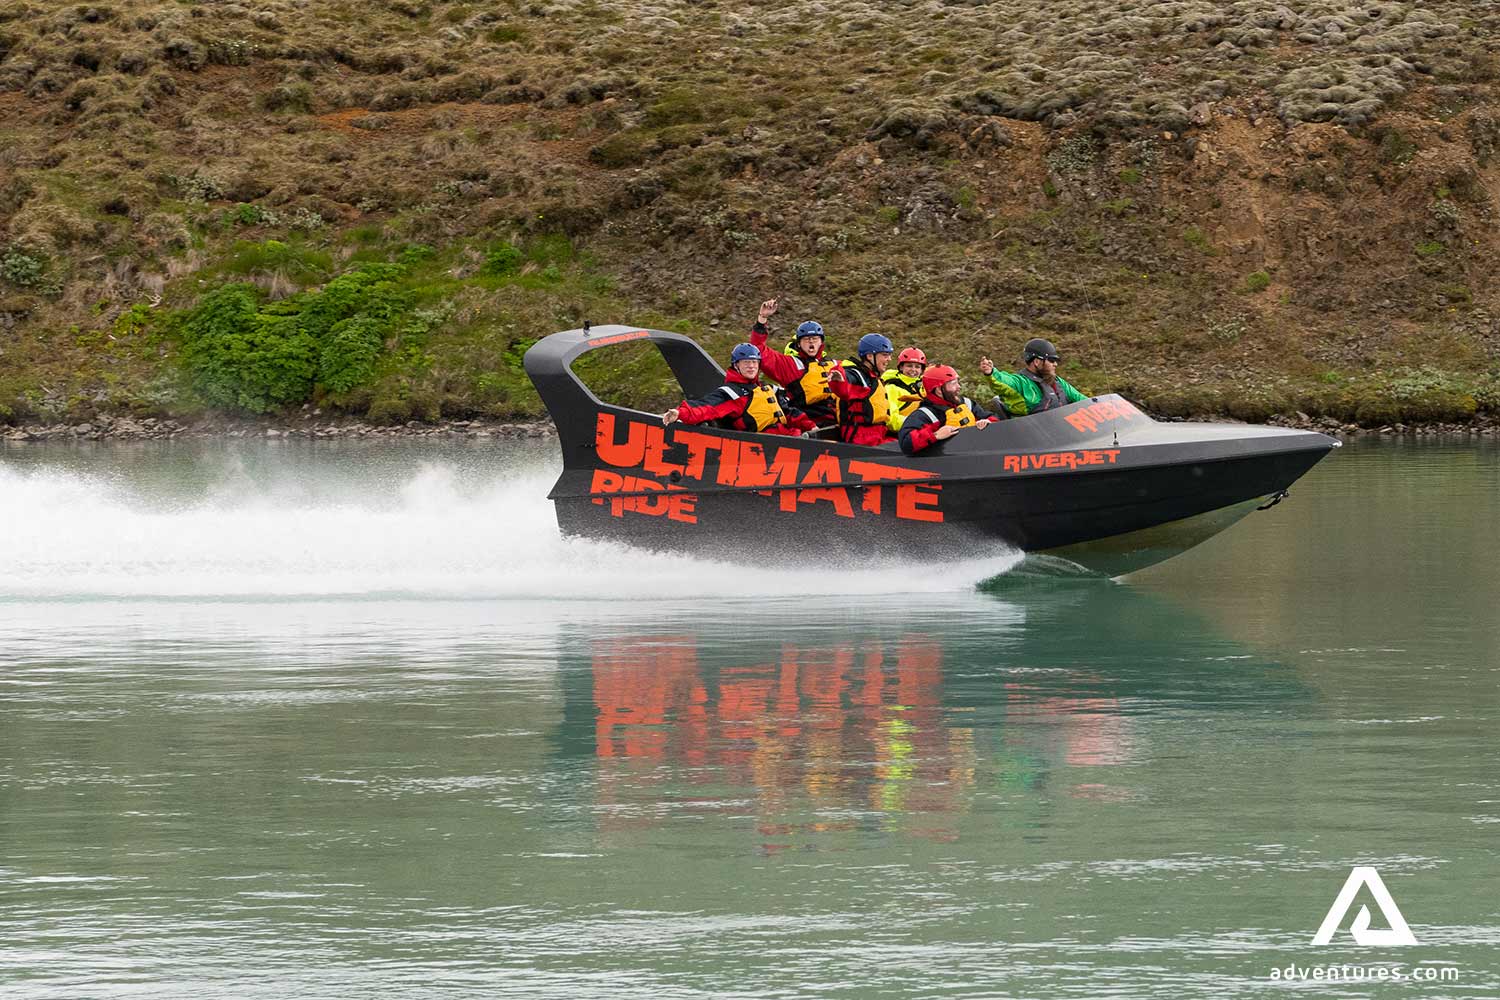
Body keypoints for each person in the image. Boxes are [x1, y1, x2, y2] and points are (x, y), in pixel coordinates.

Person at [662, 343, 817, 436]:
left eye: (754, 362)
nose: (751, 366)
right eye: (746, 363)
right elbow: (706, 407)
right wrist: (680, 413)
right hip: (766, 447)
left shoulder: (767, 389)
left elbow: (789, 412)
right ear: (736, 365)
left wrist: (810, 426)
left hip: (792, 439)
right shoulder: (732, 394)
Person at [746, 297, 839, 426]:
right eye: (806, 339)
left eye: (815, 338)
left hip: (837, 420)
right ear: (799, 344)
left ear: (821, 342)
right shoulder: (790, 365)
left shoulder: (835, 364)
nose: (811, 342)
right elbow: (758, 350)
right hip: (809, 424)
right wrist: (762, 320)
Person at [898, 364, 996, 456]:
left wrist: (988, 422)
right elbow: (906, 443)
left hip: (975, 454)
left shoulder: (967, 404)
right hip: (947, 461)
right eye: (953, 384)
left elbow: (993, 418)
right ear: (939, 390)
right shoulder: (925, 415)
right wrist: (935, 435)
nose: (959, 387)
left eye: (958, 382)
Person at [979, 338, 1088, 418]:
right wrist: (991, 372)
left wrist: (1102, 407)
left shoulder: (1058, 382)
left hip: (1066, 435)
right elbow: (1004, 382)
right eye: (1051, 360)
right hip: (1036, 440)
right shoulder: (1021, 383)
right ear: (1037, 361)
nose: (1055, 364)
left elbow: (1083, 400)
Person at [826, 333, 896, 445]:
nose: (889, 359)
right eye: (885, 355)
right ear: (869, 356)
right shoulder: (856, 375)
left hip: (878, 434)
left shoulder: (872, 377)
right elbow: (844, 388)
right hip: (861, 439)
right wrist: (838, 380)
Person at [881, 347, 926, 432]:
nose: (913, 370)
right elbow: (891, 419)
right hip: (902, 434)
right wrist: (917, 425)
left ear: (921, 370)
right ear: (901, 367)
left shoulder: (924, 387)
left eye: (917, 367)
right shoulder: (892, 388)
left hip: (922, 431)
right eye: (909, 366)